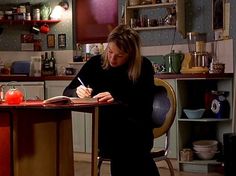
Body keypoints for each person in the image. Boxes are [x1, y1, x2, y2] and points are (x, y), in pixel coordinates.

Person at [63, 24, 160, 176]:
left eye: (120, 55)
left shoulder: (143, 66)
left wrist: (119, 99)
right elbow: (67, 91)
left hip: (137, 131)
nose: (113, 58)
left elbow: (145, 105)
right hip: (108, 134)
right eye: (110, 52)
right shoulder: (95, 64)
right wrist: (77, 91)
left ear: (131, 54)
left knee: (130, 148)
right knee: (127, 151)